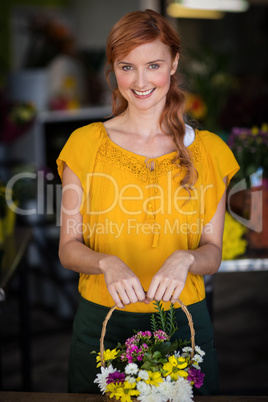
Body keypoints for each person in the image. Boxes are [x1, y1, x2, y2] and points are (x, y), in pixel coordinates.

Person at [57, 9, 239, 395]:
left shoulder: (210, 152)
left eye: (153, 64)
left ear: (173, 63)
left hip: (185, 319)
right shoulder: (85, 145)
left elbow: (212, 252)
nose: (140, 82)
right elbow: (69, 249)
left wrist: (186, 258)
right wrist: (105, 262)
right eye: (127, 66)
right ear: (114, 68)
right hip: (101, 322)